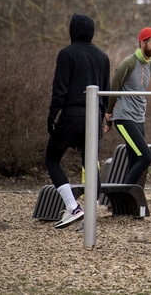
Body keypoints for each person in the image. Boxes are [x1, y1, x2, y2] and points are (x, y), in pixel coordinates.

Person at [45, 13, 111, 229]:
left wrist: (52, 115)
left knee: (53, 159)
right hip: (95, 116)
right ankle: (91, 217)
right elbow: (106, 92)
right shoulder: (103, 57)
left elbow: (60, 89)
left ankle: (73, 207)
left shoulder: (67, 54)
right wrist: (102, 118)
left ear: (72, 30)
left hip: (72, 114)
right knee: (90, 164)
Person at [107, 27, 151, 185]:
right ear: (142, 43)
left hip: (139, 117)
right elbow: (113, 89)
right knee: (146, 157)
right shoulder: (128, 63)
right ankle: (125, 194)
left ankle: (124, 204)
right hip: (123, 118)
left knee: (134, 159)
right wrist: (108, 116)